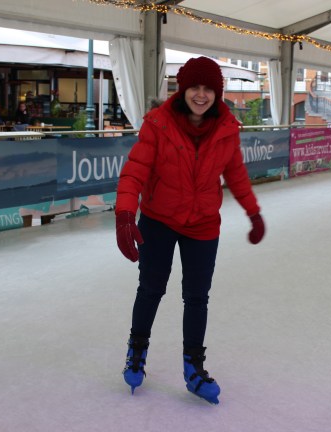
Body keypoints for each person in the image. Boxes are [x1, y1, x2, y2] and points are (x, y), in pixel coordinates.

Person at [114, 56, 265, 404]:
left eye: (208, 89)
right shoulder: (158, 123)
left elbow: (236, 175)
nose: (201, 95)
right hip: (159, 219)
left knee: (197, 297)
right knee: (151, 288)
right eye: (194, 87)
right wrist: (125, 214)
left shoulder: (226, 128)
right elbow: (135, 170)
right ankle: (136, 352)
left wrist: (254, 212)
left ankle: (194, 367)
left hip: (203, 224)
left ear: (217, 93)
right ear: (182, 90)